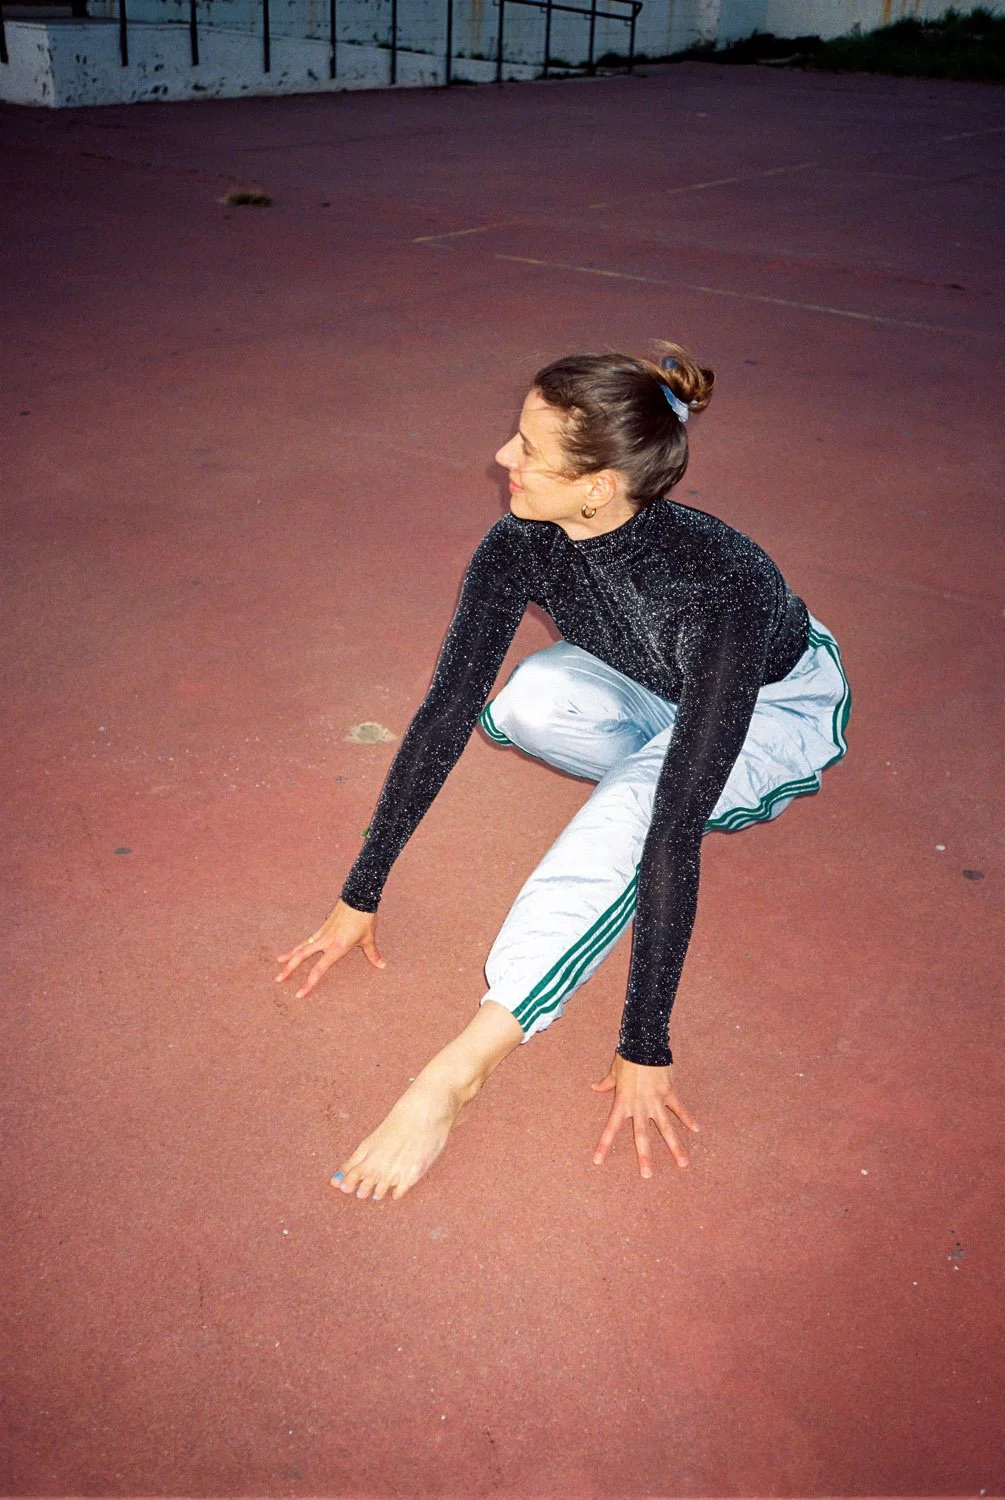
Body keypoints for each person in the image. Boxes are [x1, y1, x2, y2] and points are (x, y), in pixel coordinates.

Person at [276, 342, 850, 1203]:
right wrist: (361, 892)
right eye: (515, 435)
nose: (502, 458)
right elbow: (444, 712)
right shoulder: (523, 541)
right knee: (522, 706)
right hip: (660, 683)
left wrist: (643, 1042)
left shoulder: (716, 586)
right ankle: (664, 776)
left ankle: (455, 1075)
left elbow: (665, 838)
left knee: (644, 816)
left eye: (529, 450)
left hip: (775, 709)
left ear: (598, 487)